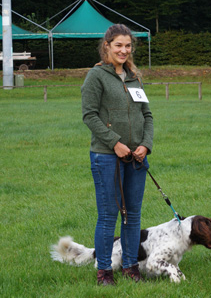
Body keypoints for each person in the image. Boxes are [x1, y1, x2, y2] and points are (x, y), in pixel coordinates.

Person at [81, 24, 154, 286]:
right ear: (107, 46)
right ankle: (104, 272)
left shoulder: (135, 76)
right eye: (118, 45)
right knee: (109, 215)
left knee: (133, 214)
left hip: (137, 157)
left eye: (127, 46)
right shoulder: (96, 76)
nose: (124, 50)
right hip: (106, 156)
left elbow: (147, 115)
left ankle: (131, 267)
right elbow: (89, 116)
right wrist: (115, 143)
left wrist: (145, 144)